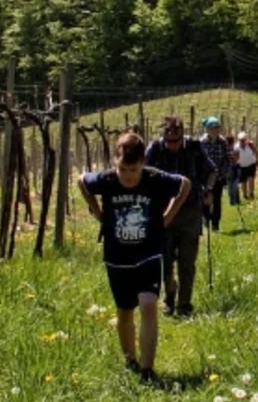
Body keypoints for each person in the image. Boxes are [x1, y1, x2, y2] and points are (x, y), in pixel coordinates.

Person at [80, 132, 192, 384]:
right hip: (117, 257)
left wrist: (169, 215)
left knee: (149, 305)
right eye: (123, 169)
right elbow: (82, 182)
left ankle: (146, 368)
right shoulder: (106, 179)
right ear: (114, 162)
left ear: (143, 162)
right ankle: (130, 358)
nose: (129, 175)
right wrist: (97, 211)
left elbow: (184, 184)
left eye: (134, 169)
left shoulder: (154, 178)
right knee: (124, 312)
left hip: (149, 253)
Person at [144, 116, 213, 317]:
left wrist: (208, 190)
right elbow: (142, 174)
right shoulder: (155, 149)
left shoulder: (194, 147)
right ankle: (169, 297)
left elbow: (211, 171)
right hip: (163, 213)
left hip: (190, 212)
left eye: (176, 141)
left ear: (182, 135)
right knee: (164, 261)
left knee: (187, 262)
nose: (172, 145)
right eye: (169, 141)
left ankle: (184, 305)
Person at [199, 117, 236, 226]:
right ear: (207, 129)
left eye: (217, 127)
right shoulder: (202, 142)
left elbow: (229, 157)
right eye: (213, 128)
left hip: (219, 176)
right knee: (205, 198)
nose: (216, 130)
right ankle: (206, 219)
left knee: (217, 200)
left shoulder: (223, 142)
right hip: (205, 177)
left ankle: (215, 223)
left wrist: (228, 170)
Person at [236, 132, 258, 202]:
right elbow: (234, 157)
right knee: (243, 181)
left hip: (251, 164)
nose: (242, 141)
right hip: (241, 166)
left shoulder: (250, 145)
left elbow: (256, 152)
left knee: (251, 179)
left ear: (246, 139)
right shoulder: (236, 147)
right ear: (238, 140)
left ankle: (251, 193)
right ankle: (245, 195)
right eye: (241, 140)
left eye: (244, 140)